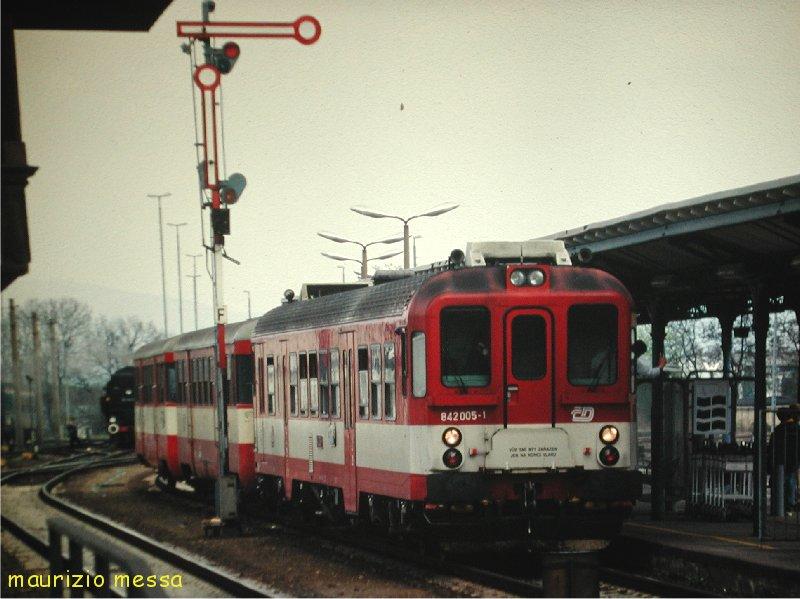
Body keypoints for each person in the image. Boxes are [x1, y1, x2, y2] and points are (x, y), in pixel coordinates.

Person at [767, 404, 799, 514]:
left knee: (781, 484)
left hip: (779, 462)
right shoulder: (797, 429)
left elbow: (771, 448)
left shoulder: (777, 431)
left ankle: (781, 507)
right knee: (791, 483)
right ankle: (789, 506)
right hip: (793, 462)